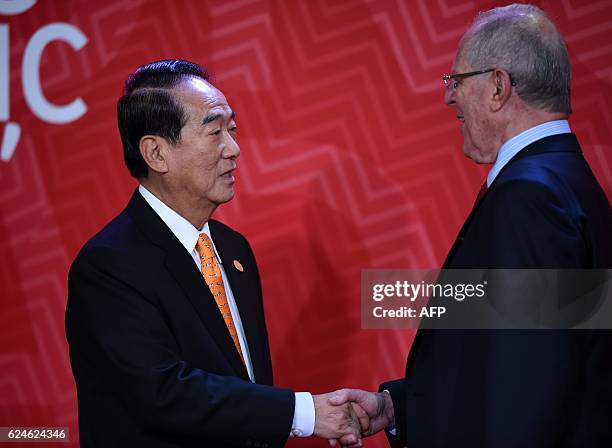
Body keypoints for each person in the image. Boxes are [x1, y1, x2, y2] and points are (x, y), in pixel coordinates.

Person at [331, 4, 612, 447]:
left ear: (498, 86)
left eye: (457, 81)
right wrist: (395, 407)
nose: (448, 97)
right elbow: (497, 355)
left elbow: (528, 392)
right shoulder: (562, 180)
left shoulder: (531, 198)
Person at [65, 59, 362, 448]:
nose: (234, 149)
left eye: (232, 129)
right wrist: (304, 413)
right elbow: (164, 392)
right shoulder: (109, 265)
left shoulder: (233, 248)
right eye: (215, 131)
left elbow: (245, 384)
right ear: (156, 154)